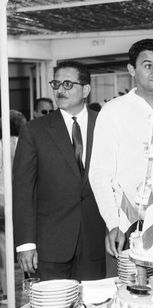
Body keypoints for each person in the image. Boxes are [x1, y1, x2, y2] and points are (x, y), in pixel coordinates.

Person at [13, 61, 106, 281]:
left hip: (96, 240)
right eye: (56, 84)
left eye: (67, 84)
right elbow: (23, 190)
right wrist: (26, 243)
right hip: (50, 245)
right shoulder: (34, 131)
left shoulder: (104, 124)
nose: (59, 90)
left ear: (85, 89)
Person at [89, 39, 153, 258]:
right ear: (132, 69)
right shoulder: (114, 111)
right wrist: (113, 223)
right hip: (129, 221)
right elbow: (99, 174)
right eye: (147, 65)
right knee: (131, 289)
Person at [0, 110, 27, 297]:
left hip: (3, 202)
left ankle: (6, 290)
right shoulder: (24, 145)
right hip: (21, 202)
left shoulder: (2, 145)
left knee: (3, 250)